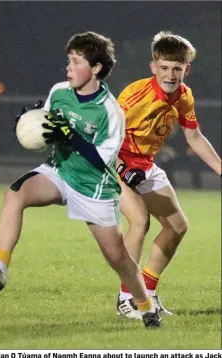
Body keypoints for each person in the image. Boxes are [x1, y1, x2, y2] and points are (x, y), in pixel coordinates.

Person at [0, 31, 161, 329]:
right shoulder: (59, 91)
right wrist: (27, 123)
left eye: (75, 61)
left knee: (118, 257)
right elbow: (44, 127)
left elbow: (101, 160)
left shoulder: (110, 110)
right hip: (59, 171)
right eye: (67, 61)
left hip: (93, 187)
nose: (68, 68)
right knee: (15, 193)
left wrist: (71, 135)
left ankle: (146, 307)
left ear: (96, 68)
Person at [114, 31, 222, 318]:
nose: (170, 74)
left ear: (187, 69)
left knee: (177, 226)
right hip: (114, 162)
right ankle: (127, 300)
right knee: (139, 221)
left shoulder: (184, 96)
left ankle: (147, 292)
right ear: (153, 67)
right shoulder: (135, 95)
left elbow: (195, 137)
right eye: (164, 67)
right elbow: (103, 136)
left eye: (177, 68)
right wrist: (122, 168)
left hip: (145, 164)